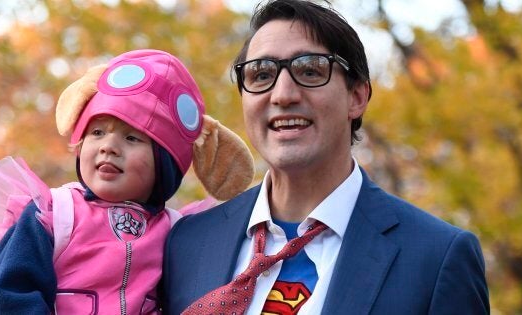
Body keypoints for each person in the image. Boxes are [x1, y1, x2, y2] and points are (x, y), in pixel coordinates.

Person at [162, 1, 490, 314]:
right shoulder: (186, 243)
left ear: (357, 97)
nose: (283, 95)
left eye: (310, 70)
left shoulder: (436, 258)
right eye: (261, 74)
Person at [0, 49, 254, 314]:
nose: (109, 146)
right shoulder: (53, 215)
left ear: (164, 163)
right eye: (97, 132)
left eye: (132, 138)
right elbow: (8, 293)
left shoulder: (176, 233)